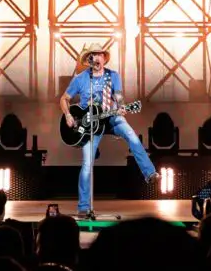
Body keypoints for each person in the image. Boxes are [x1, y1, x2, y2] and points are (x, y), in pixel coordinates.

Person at [59, 49, 157, 218]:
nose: (97, 58)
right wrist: (68, 115)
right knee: (87, 164)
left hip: (110, 116)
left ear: (104, 58)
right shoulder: (81, 79)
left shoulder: (113, 76)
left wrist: (121, 107)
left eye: (100, 55)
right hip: (89, 125)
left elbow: (118, 96)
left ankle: (149, 173)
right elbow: (64, 99)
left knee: (131, 135)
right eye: (93, 55)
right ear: (89, 59)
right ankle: (83, 207)